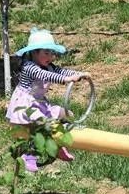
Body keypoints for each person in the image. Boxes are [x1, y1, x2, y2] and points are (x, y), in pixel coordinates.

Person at [6, 27, 89, 172]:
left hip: (39, 103)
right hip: (25, 105)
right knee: (41, 126)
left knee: (66, 114)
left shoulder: (48, 66)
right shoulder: (29, 67)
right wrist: (66, 79)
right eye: (46, 53)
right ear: (34, 52)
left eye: (52, 53)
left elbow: (61, 71)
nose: (50, 56)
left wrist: (79, 74)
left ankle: (57, 146)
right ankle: (29, 156)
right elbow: (45, 75)